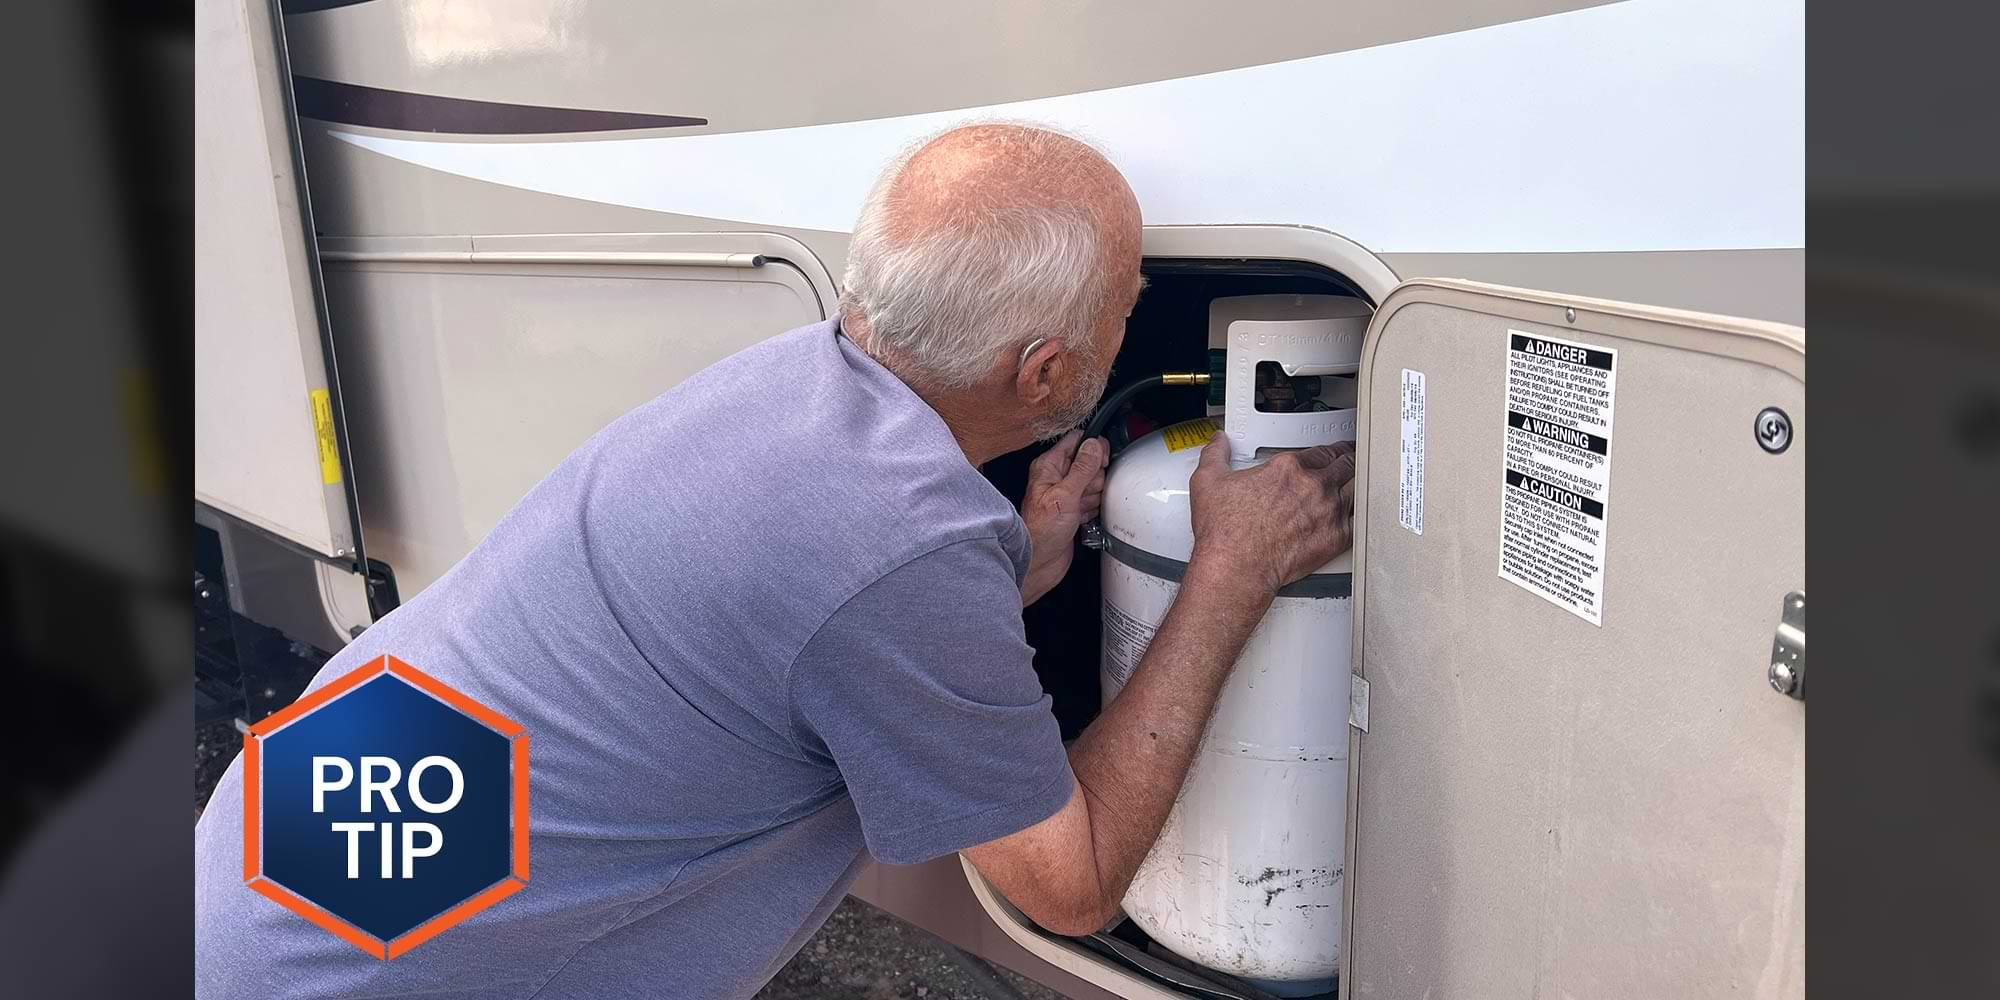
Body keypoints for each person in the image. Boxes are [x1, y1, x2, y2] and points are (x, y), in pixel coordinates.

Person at [194, 121, 1355, 998]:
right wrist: (1226, 576)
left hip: (277, 851)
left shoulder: (788, 388)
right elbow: (1068, 881)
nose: (1133, 315)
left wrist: (1021, 559)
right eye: (1126, 303)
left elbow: (801, 633)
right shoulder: (898, 543)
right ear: (1048, 372)